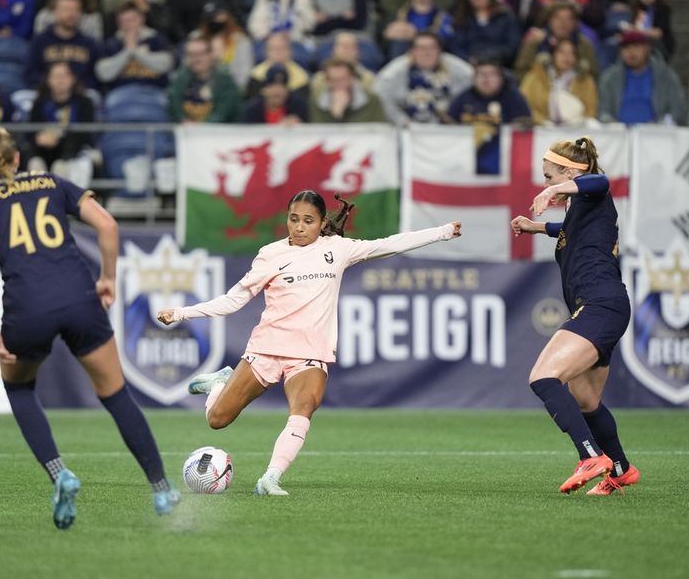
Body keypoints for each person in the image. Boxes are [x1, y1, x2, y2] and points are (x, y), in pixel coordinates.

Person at [157, 192, 462, 496]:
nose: (299, 227)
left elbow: (391, 244)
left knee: (304, 406)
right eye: (293, 219)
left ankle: (270, 478)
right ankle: (218, 385)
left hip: (309, 355)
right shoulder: (270, 254)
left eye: (308, 221)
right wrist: (182, 313)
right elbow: (233, 301)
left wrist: (443, 232)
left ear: (322, 223)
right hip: (266, 349)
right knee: (217, 420)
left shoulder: (338, 249)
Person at [0, 124, 180, 529]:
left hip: (27, 309)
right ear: (17, 159)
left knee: (19, 387)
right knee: (115, 394)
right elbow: (108, 226)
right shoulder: (52, 182)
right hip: (79, 297)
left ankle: (61, 474)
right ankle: (162, 489)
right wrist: (108, 277)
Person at [509, 136, 639, 496]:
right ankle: (621, 469)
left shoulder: (591, 191)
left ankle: (589, 456)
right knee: (586, 401)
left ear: (570, 172)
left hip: (600, 305)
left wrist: (559, 190)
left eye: (549, 176)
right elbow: (572, 234)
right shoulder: (579, 211)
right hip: (607, 306)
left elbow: (600, 181)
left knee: (543, 377)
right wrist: (539, 227)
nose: (546, 184)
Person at [448, 58, 531, 174]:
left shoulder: (514, 99)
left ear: (501, 78)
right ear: (473, 78)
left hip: (504, 163)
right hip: (465, 160)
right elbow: (447, 131)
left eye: (492, 74)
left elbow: (524, 133)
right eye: (481, 74)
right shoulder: (462, 99)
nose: (486, 79)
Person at [375, 31, 474, 125]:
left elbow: (474, 89)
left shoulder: (460, 69)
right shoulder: (394, 72)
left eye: (432, 48)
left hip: (450, 127)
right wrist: (400, 120)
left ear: (439, 51)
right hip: (408, 128)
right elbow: (380, 98)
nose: (426, 53)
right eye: (421, 48)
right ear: (412, 51)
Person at [597, 29, 685, 125]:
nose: (631, 52)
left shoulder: (666, 75)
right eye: (626, 48)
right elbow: (603, 111)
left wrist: (662, 124)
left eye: (636, 47)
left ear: (647, 48)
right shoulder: (609, 77)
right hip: (618, 133)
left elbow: (677, 109)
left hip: (657, 132)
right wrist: (611, 123)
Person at [28, 61, 98, 174]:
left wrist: (58, 139)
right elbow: (30, 132)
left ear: (73, 78)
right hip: (44, 151)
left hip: (73, 152)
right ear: (48, 80)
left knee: (62, 165)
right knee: (34, 161)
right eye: (56, 76)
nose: (60, 80)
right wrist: (38, 138)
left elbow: (85, 134)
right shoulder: (40, 102)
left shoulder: (84, 102)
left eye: (65, 75)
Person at [26, 0, 101, 90]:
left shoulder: (89, 44)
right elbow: (31, 74)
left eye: (76, 10)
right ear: (55, 11)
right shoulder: (40, 41)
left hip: (81, 95)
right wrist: (53, 84)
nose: (71, 14)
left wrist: (73, 86)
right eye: (66, 9)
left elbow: (96, 78)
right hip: (46, 93)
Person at [519, 37, 597, 125]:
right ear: (553, 54)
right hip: (538, 128)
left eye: (572, 53)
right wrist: (542, 122)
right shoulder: (534, 77)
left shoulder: (586, 80)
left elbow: (590, 111)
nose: (566, 57)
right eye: (562, 52)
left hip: (575, 131)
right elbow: (523, 106)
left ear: (577, 58)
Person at [168, 34, 241, 123]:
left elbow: (222, 114)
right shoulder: (180, 78)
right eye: (191, 54)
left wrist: (199, 127)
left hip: (220, 134)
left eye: (200, 54)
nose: (196, 59)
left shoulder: (225, 80)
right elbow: (174, 105)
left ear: (211, 54)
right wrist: (183, 121)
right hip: (185, 132)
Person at [450, 0, 521, 66]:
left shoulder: (505, 17)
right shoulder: (462, 20)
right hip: (469, 66)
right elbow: (457, 47)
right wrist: (470, 59)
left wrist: (488, 57)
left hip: (500, 64)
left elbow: (512, 46)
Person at [309, 57, 386, 123]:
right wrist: (335, 116)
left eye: (342, 79)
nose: (338, 84)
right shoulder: (316, 99)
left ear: (352, 78)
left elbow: (379, 129)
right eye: (333, 80)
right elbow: (317, 130)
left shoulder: (371, 100)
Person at [241, 63, 309, 124]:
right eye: (273, 86)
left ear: (288, 90)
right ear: (265, 89)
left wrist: (298, 124)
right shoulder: (252, 109)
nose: (277, 91)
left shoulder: (298, 106)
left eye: (282, 87)